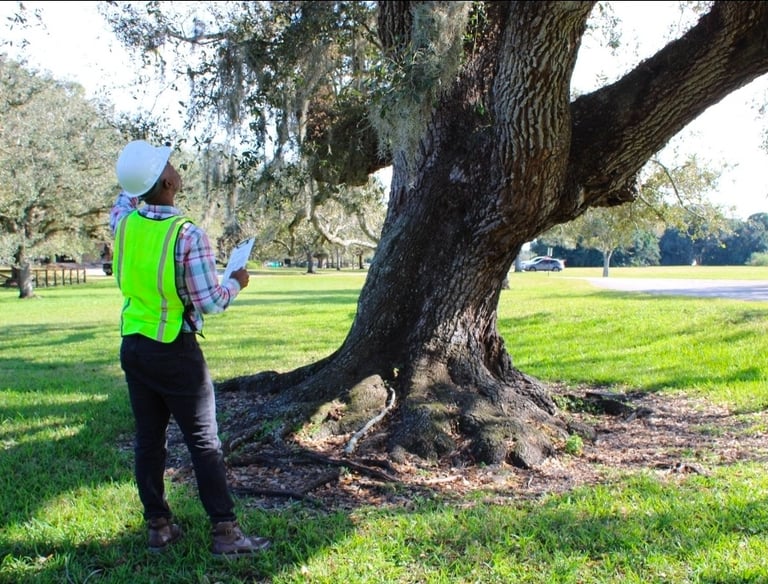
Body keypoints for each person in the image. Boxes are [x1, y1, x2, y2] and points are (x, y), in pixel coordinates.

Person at [111, 140, 270, 557]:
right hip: (175, 352)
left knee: (149, 441)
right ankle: (225, 532)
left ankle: (158, 527)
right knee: (204, 442)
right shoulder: (187, 235)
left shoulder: (124, 223)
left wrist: (138, 177)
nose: (177, 168)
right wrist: (236, 280)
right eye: (170, 165)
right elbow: (211, 302)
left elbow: (125, 195)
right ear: (166, 181)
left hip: (134, 345)